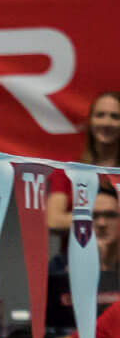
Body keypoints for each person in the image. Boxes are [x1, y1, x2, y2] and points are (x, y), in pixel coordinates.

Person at [44, 182, 120, 331]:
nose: (102, 223)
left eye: (110, 215)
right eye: (93, 215)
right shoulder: (59, 266)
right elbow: (53, 329)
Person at [45, 91, 120, 234]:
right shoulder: (68, 169)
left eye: (115, 116)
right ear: (90, 121)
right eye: (100, 115)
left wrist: (84, 218)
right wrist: (107, 218)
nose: (107, 123)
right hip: (75, 254)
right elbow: (54, 220)